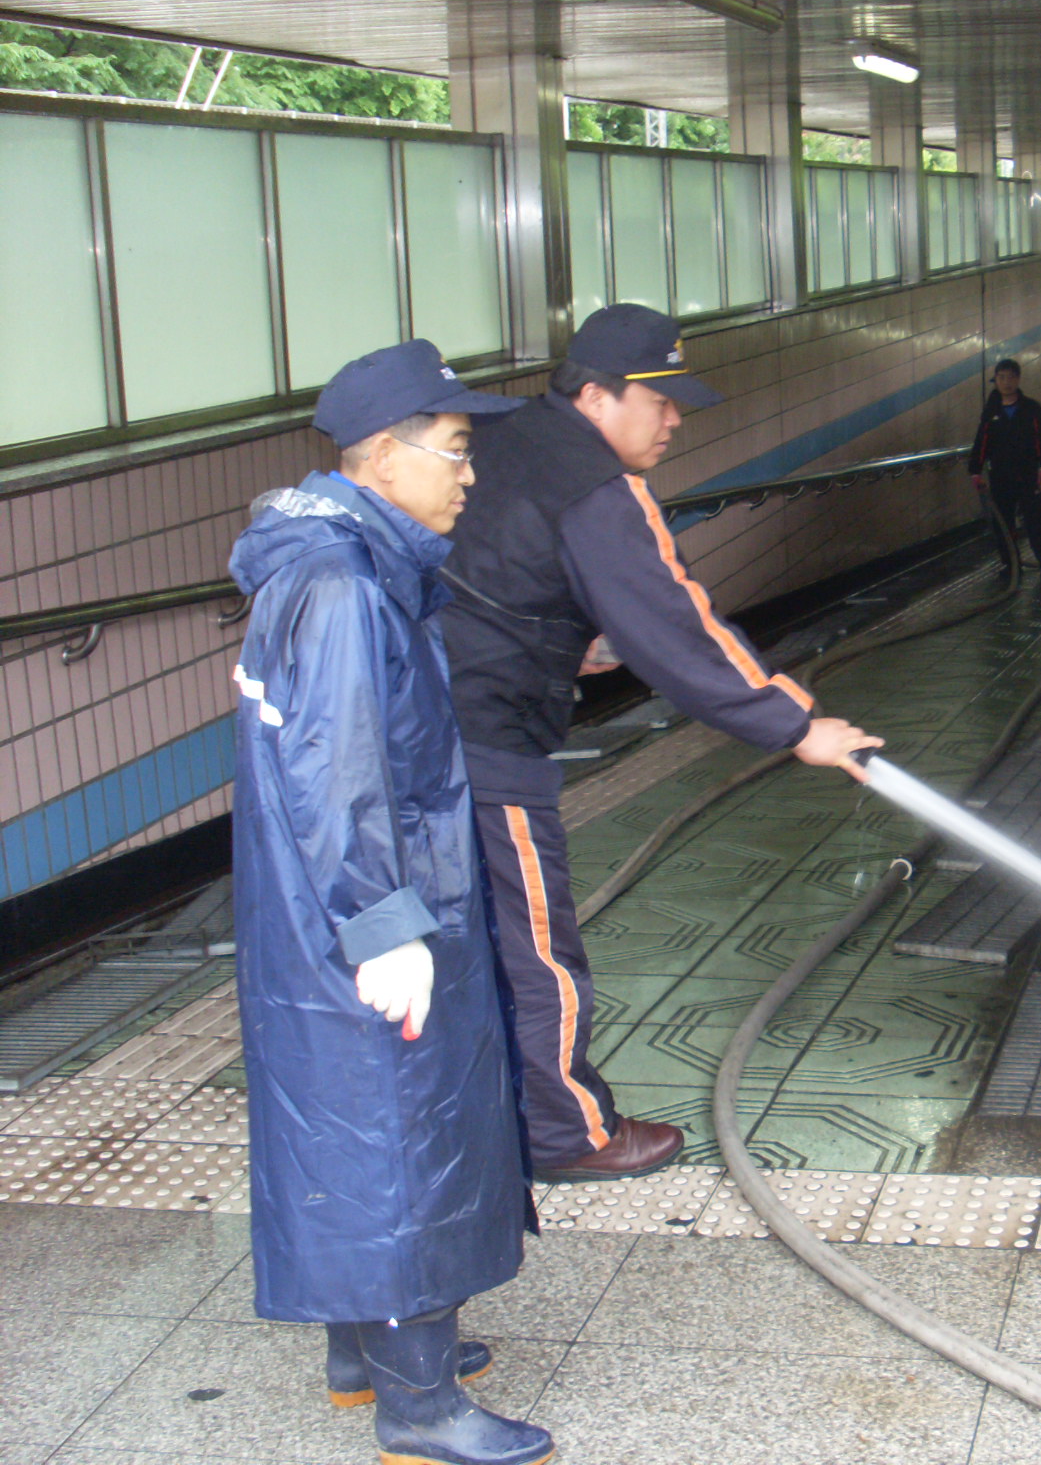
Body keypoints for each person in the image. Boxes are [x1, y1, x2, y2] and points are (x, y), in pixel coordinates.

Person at [440, 303, 880, 1184]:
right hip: (484, 742)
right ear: (599, 396)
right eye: (663, 401)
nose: (676, 420)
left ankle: (470, 1113)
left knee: (462, 938)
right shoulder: (598, 486)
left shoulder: (507, 435)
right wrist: (796, 724)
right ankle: (568, 1135)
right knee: (535, 949)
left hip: (423, 720)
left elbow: (503, 568)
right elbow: (678, 622)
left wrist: (574, 638)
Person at [227, 340, 552, 1465]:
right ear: (383, 457)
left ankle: (365, 1350)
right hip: (373, 916)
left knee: (357, 1128)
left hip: (326, 920)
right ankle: (421, 1410)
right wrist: (385, 932)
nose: (469, 476)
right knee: (405, 1131)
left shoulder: (329, 565)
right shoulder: (342, 587)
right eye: (456, 453)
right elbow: (339, 774)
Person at [969, 357, 1041, 577]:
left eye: (1010, 377)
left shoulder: (1031, 408)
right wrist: (975, 470)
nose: (1006, 382)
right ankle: (1011, 564)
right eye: (1001, 378)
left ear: (1018, 379)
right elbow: (982, 442)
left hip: (1027, 474)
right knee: (1003, 523)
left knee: (1034, 520)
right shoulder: (991, 410)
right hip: (1000, 475)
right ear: (996, 380)